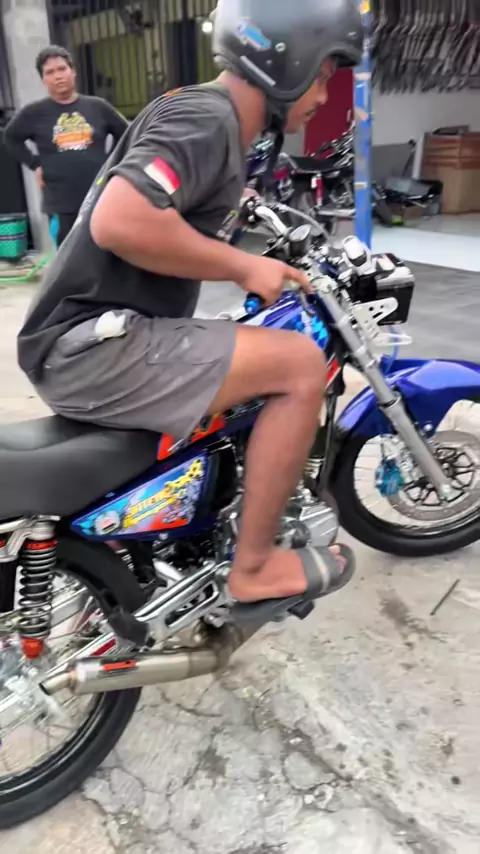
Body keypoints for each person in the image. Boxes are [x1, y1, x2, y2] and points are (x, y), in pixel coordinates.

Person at [17, 0, 363, 608]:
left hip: (90, 339)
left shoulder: (209, 115)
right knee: (297, 364)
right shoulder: (207, 117)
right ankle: (253, 566)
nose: (325, 93)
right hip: (89, 347)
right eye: (326, 72)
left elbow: (183, 192)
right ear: (288, 59)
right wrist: (244, 264)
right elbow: (121, 221)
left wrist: (248, 212)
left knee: (245, 356)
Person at [4, 45, 128, 246]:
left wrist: (111, 163)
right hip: (60, 204)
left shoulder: (98, 107)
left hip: (100, 197)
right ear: (44, 79)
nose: (58, 76)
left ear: (73, 71)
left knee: (105, 253)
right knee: (67, 255)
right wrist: (34, 164)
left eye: (62, 69)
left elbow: (126, 133)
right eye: (50, 72)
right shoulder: (33, 113)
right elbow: (11, 138)